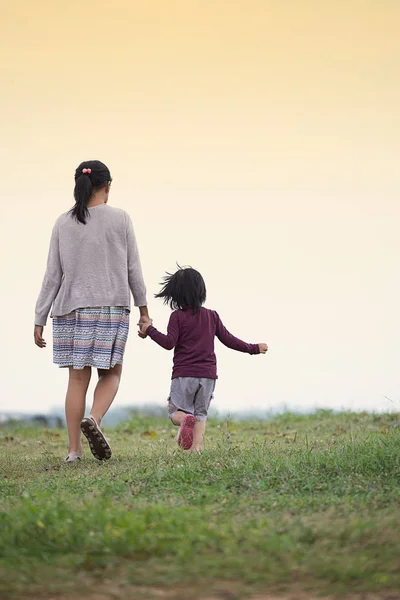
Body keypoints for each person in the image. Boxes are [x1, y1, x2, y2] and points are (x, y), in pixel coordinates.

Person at [34, 160, 150, 462]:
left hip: (69, 309)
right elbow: (133, 268)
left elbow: (52, 274)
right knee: (111, 372)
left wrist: (39, 318)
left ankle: (73, 451)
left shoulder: (62, 222)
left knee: (76, 380)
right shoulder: (121, 219)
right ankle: (95, 419)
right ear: (107, 187)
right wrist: (144, 310)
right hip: (110, 306)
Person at [139, 266, 267, 452]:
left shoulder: (177, 317)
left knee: (175, 412)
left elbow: (168, 343)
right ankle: (196, 451)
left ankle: (184, 420)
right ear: (201, 291)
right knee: (200, 414)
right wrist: (253, 348)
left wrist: (149, 329)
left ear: (175, 295)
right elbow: (229, 340)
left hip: (184, 375)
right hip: (207, 376)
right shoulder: (212, 316)